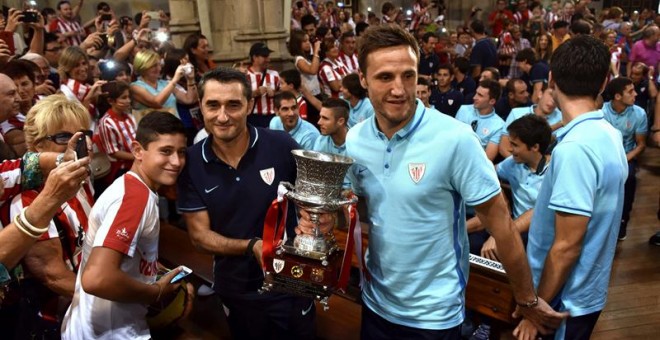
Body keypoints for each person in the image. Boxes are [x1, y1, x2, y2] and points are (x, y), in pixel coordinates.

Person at [298, 24, 566, 339]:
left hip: (434, 315)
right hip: (375, 302)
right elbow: (364, 211)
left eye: (408, 76)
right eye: (385, 77)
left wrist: (527, 299)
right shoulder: (356, 140)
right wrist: (331, 217)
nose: (399, 89)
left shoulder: (455, 139)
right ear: (363, 81)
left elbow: (501, 224)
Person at [178, 67, 317, 338]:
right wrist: (252, 246)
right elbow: (199, 237)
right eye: (213, 105)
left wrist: (316, 221)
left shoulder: (280, 144)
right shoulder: (192, 162)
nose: (222, 116)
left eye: (233, 105)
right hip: (236, 287)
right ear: (201, 106)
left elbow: (310, 200)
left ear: (250, 105)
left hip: (292, 280)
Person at [514, 35, 628, 340]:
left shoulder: (575, 148)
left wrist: (537, 307)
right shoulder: (608, 133)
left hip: (562, 302)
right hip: (584, 290)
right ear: (604, 82)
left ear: (551, 79)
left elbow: (567, 247)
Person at [62, 111, 194, 340]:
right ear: (137, 150)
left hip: (94, 326)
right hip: (110, 332)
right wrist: (156, 292)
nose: (176, 162)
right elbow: (97, 278)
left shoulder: (131, 188)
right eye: (165, 151)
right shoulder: (135, 198)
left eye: (181, 152)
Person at [3, 95, 94, 337]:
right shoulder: (27, 201)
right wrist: (117, 296)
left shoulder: (82, 182)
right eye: (65, 137)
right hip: (63, 316)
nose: (77, 145)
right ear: (37, 146)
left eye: (82, 136)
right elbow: (54, 276)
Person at [602, 77, 647, 241]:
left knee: (629, 180)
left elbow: (641, 145)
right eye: (630, 91)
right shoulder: (601, 111)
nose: (635, 94)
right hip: (603, 155)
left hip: (626, 156)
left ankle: (622, 220)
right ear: (617, 96)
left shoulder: (639, 113)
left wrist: (624, 159)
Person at [131, 49, 197, 121]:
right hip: (153, 129)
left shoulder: (166, 84)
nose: (158, 68)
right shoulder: (135, 87)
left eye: (159, 64)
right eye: (154, 65)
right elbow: (157, 103)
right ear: (142, 67)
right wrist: (174, 80)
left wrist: (190, 79)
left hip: (175, 126)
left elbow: (189, 100)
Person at [500, 85, 562, 158]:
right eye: (550, 94)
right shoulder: (516, 113)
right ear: (540, 94)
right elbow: (504, 147)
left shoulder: (562, 119)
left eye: (557, 98)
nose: (553, 101)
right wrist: (519, 166)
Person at [96, 81, 136, 186]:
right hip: (121, 169)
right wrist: (137, 156)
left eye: (128, 97)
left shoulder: (129, 117)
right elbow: (113, 152)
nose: (128, 101)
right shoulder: (106, 122)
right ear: (111, 101)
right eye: (123, 98)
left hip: (135, 162)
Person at [455, 79, 505, 161]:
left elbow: (487, 159)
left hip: (475, 164)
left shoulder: (499, 126)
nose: (474, 97)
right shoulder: (463, 110)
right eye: (476, 93)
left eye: (480, 95)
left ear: (492, 101)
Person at [246, 42, 280, 128]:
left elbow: (283, 93)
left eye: (268, 56)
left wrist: (274, 93)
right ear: (254, 57)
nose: (268, 59)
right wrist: (255, 93)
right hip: (253, 117)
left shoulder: (274, 75)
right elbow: (238, 96)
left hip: (271, 117)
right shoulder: (245, 75)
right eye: (265, 56)